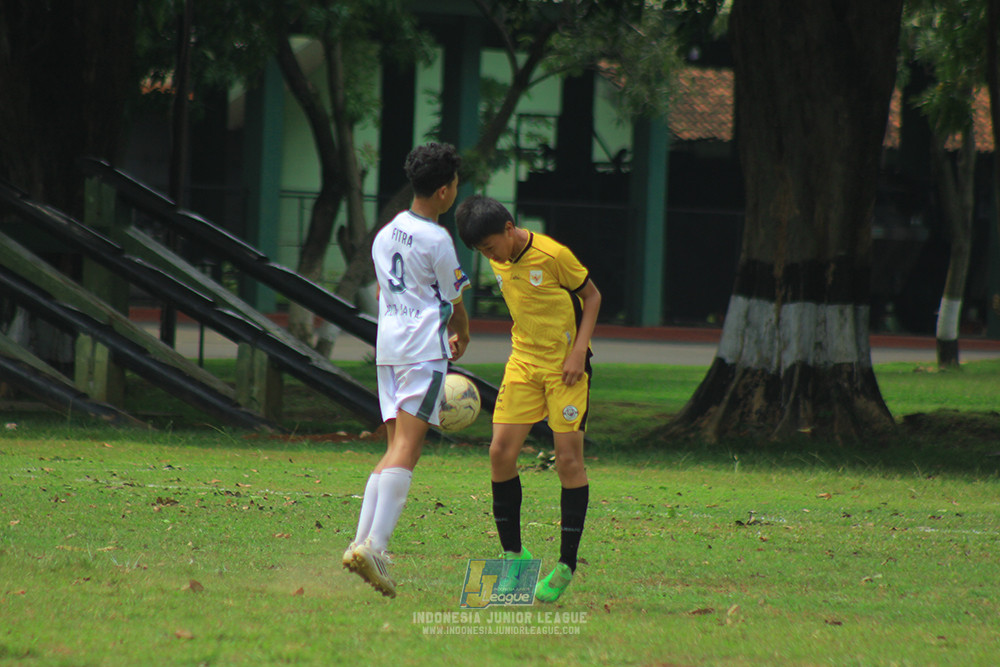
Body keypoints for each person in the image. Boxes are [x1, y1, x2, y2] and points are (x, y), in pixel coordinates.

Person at [455, 195, 601, 603]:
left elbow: (592, 298)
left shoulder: (554, 255)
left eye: (489, 248)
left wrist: (578, 352)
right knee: (500, 453)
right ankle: (515, 556)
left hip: (565, 368)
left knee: (568, 461)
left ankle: (565, 566)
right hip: (523, 363)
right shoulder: (498, 257)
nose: (488, 256)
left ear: (508, 228)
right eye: (480, 252)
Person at [343, 142, 470, 598]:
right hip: (422, 352)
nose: (455, 192)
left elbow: (382, 292)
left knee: (396, 447)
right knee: (408, 451)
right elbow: (455, 303)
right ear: (442, 191)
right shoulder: (437, 240)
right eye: (454, 185)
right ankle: (374, 547)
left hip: (389, 351)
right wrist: (464, 336)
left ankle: (361, 543)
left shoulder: (386, 232)